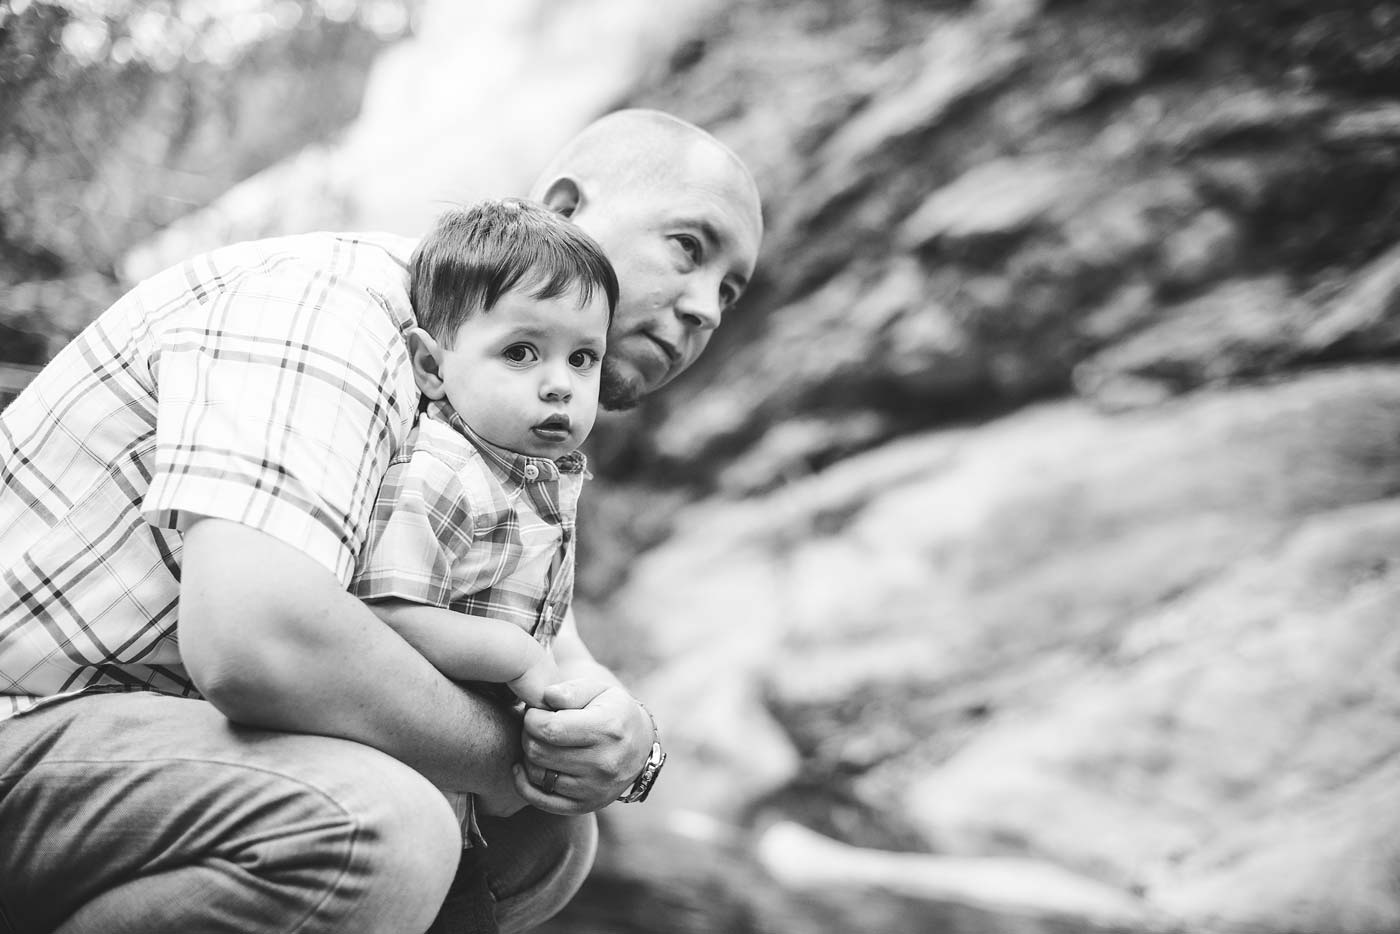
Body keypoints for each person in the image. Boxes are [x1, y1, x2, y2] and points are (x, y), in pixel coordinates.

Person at [0, 108, 762, 934]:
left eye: (729, 290)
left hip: (142, 748)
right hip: (29, 715)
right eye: (690, 248)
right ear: (566, 206)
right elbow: (258, 642)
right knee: (373, 824)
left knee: (549, 837)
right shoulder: (337, 308)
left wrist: (629, 749)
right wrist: (514, 756)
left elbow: (559, 658)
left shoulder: (506, 434)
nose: (705, 311)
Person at [350, 197, 616, 843]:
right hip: (390, 773)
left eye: (583, 358)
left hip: (452, 786)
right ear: (432, 367)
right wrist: (514, 655)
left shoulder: (529, 480)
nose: (561, 384)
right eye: (522, 352)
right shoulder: (441, 470)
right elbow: (380, 615)